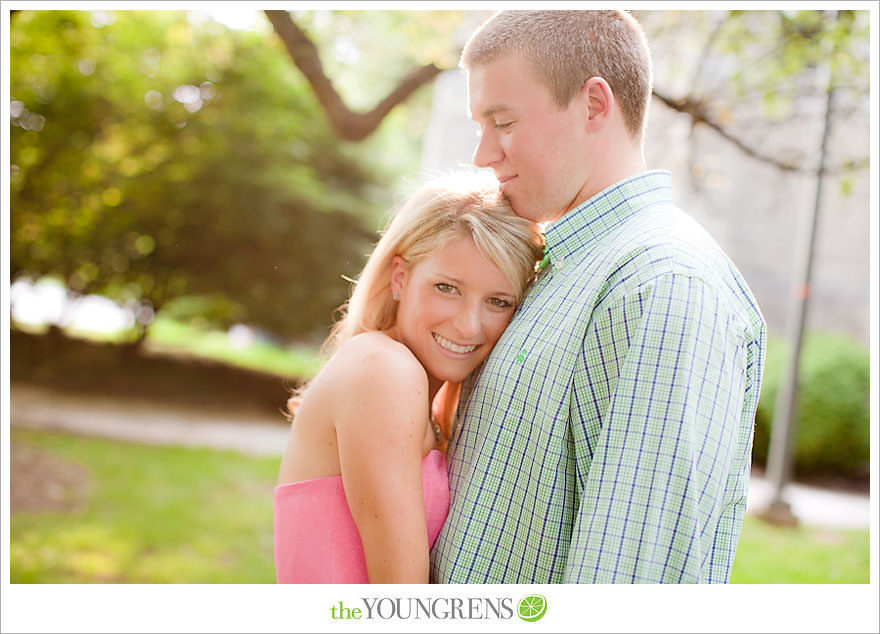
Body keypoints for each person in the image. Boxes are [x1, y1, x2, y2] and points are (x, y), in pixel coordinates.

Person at [429, 10, 767, 584]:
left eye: (503, 121)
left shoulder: (665, 285)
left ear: (593, 104)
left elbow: (630, 582)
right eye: (479, 126)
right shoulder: (566, 265)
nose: (484, 153)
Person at [273, 171, 545, 583]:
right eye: (447, 288)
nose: (470, 326)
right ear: (400, 277)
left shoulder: (429, 396)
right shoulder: (384, 371)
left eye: (498, 301)